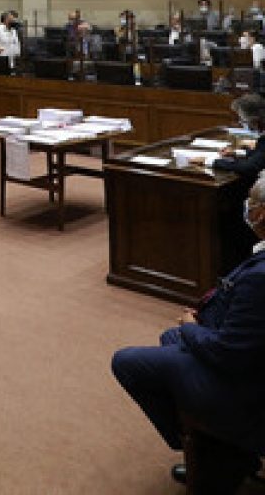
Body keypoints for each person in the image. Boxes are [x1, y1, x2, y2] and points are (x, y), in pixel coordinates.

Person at [111, 172, 265, 492]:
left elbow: (228, 354)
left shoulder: (259, 277)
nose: (247, 206)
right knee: (170, 339)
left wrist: (193, 328)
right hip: (247, 355)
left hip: (248, 384)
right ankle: (218, 447)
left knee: (127, 362)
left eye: (252, 200)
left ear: (261, 213)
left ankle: (218, 450)